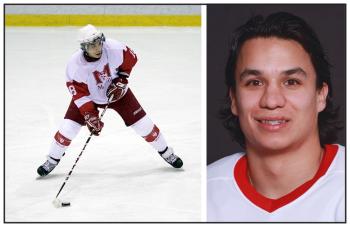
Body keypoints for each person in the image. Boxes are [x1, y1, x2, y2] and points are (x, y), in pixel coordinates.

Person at [207, 12, 344, 222]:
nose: (271, 101)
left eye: (291, 82)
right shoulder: (206, 193)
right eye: (255, 82)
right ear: (234, 99)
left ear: (320, 95)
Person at [37, 24, 183, 176]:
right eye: (92, 45)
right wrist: (90, 115)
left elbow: (131, 59)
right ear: (83, 47)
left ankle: (166, 152)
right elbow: (79, 95)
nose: (98, 47)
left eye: (99, 41)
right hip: (90, 98)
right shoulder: (75, 66)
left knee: (144, 126)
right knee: (67, 129)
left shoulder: (114, 48)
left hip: (119, 95)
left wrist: (122, 78)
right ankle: (52, 160)